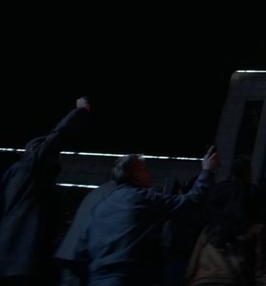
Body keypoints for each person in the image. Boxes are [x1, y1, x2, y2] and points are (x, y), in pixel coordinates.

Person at [85, 146, 218, 285]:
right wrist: (207, 170)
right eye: (145, 170)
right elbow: (191, 201)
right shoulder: (143, 198)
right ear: (136, 175)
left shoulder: (103, 205)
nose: (150, 174)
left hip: (97, 277)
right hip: (130, 277)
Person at [0, 97, 91, 285]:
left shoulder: (16, 177)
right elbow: (58, 134)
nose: (58, 158)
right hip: (21, 260)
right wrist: (80, 111)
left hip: (13, 258)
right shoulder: (31, 168)